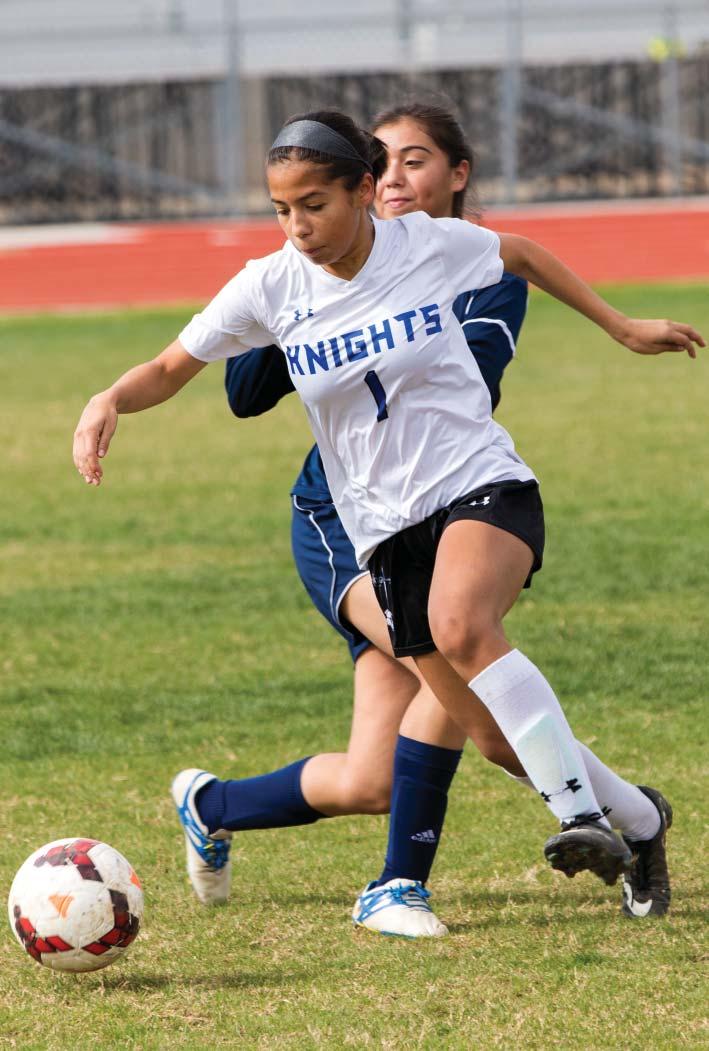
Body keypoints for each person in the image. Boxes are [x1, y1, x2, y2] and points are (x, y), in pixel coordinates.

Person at [74, 109, 699, 935]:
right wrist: (110, 398)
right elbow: (170, 366)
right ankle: (641, 819)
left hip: (479, 483)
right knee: (492, 737)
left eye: (315, 205)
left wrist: (621, 325)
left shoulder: (425, 244)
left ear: (362, 192)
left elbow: (517, 253)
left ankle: (571, 815)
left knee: (460, 622)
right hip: (381, 530)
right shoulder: (270, 285)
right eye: (281, 209)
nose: (297, 226)